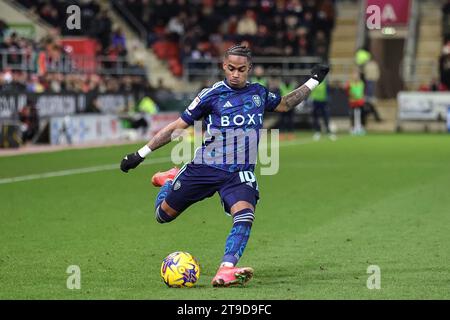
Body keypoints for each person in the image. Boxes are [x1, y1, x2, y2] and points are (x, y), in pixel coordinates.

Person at [120, 45, 329, 287]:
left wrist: (314, 80)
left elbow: (285, 104)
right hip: (205, 167)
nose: (236, 74)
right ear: (224, 67)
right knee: (162, 216)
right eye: (231, 68)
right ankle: (170, 180)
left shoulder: (258, 93)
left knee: (245, 214)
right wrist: (141, 153)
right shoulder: (211, 95)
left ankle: (226, 269)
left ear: (249, 69)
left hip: (239, 173)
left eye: (241, 69)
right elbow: (178, 126)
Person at [345, 70, 366, 135]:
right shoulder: (350, 83)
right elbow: (347, 92)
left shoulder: (361, 83)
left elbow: (361, 92)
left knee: (361, 115)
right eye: (354, 75)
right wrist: (351, 95)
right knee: (353, 116)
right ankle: (353, 128)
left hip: (360, 102)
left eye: (357, 76)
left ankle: (361, 128)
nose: (356, 77)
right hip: (353, 102)